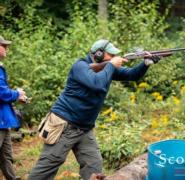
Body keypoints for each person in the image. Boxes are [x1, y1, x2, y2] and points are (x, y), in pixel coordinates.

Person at [28, 39, 160, 180]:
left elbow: (131, 75)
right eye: (111, 55)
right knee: (48, 166)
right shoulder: (80, 66)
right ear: (98, 54)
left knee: (94, 167)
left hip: (84, 128)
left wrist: (145, 64)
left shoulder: (106, 68)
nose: (114, 57)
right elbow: (98, 84)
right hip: (64, 124)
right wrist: (111, 65)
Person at [0, 35, 27, 180]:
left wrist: (17, 96)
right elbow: (1, 92)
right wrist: (17, 93)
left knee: (6, 157)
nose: (6, 49)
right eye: (4, 46)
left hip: (4, 119)